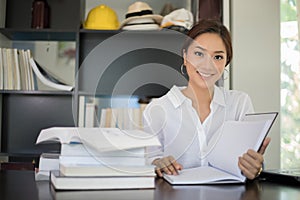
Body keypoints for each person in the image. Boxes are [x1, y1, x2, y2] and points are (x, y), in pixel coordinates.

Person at [142, 19, 270, 180]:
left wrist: (256, 168)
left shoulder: (239, 103)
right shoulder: (158, 109)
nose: (208, 66)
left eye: (217, 57)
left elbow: (252, 164)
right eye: (199, 54)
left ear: (226, 62)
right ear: (185, 56)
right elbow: (148, 162)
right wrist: (157, 164)